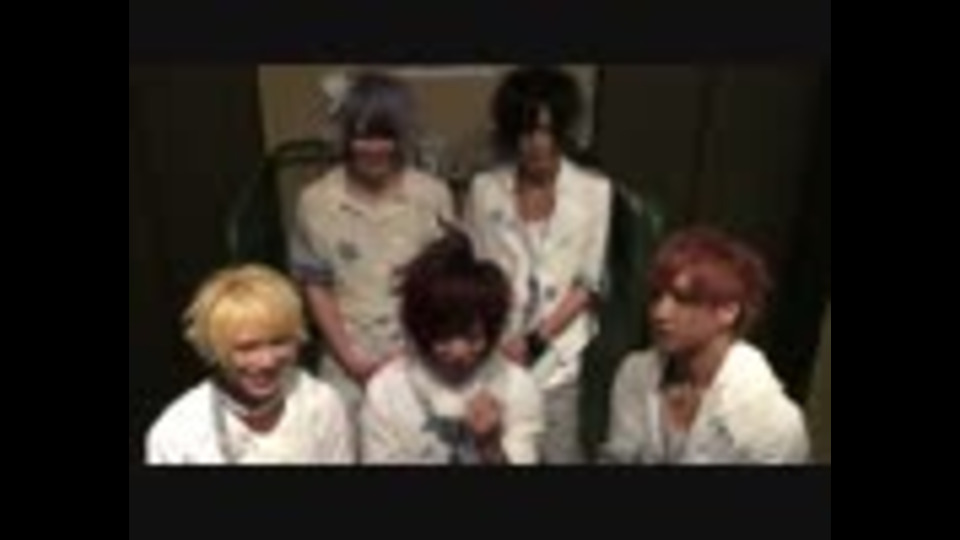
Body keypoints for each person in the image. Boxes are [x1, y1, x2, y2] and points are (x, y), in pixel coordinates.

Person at [464, 66, 612, 463]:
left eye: (548, 130)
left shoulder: (595, 191)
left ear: (565, 130)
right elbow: (475, 273)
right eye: (527, 131)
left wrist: (535, 341)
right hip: (495, 347)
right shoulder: (484, 189)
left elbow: (588, 282)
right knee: (497, 449)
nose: (538, 143)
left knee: (559, 451)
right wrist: (493, 339)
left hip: (558, 350)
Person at [289, 71, 455, 417]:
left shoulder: (432, 195)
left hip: (418, 349)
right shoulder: (315, 201)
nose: (375, 149)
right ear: (346, 136)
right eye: (363, 137)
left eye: (386, 136)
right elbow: (316, 286)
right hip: (346, 355)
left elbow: (449, 284)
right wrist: (351, 359)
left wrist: (413, 352)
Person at [602, 227, 809, 464]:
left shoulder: (771, 420)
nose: (660, 313)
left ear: (728, 311)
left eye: (683, 300)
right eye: (656, 296)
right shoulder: (636, 373)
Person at [360, 231, 544, 464]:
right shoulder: (386, 390)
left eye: (473, 337)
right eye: (444, 337)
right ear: (419, 329)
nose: (459, 351)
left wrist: (490, 446)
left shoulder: (517, 386)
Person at [145, 264, 354, 464]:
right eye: (247, 348)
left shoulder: (320, 405)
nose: (267, 361)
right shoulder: (178, 431)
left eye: (279, 342)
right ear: (214, 349)